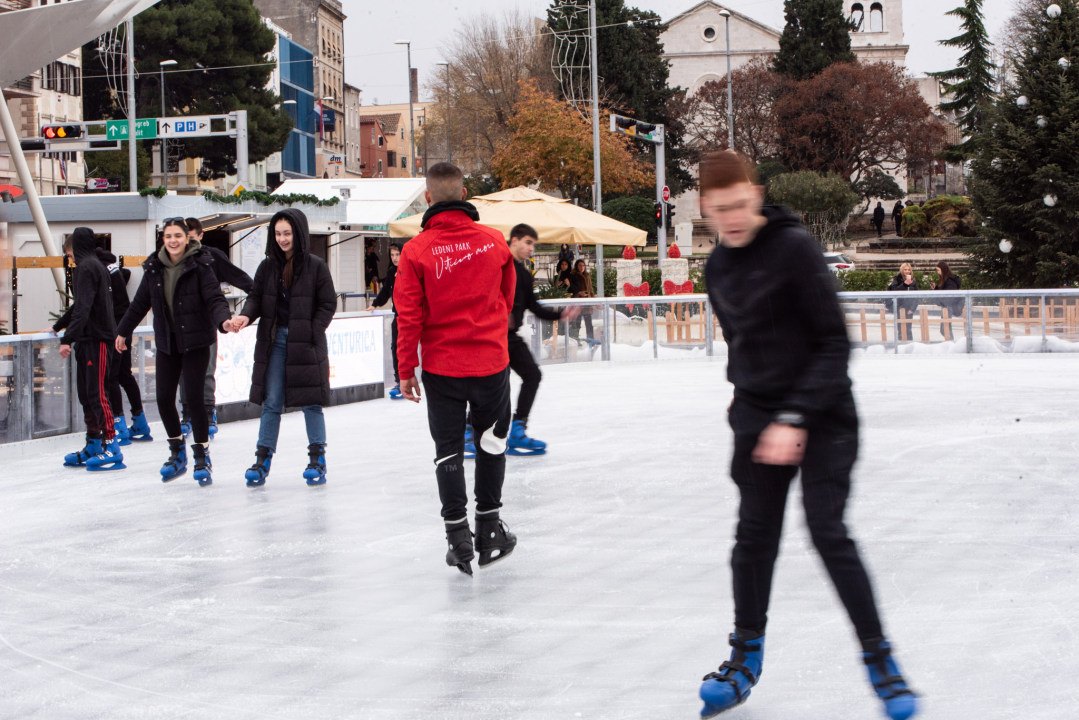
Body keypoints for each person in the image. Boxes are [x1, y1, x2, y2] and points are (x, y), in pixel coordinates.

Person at [695, 151, 917, 720]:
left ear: (757, 193)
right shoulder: (717, 267)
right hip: (758, 415)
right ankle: (745, 658)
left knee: (827, 530)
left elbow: (834, 344)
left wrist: (795, 416)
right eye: (721, 210)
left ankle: (880, 659)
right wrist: (749, 414)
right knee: (753, 540)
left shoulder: (794, 249)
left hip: (824, 415)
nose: (734, 218)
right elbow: (743, 348)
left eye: (742, 204)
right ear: (705, 208)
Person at [394, 162, 519, 576]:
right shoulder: (494, 241)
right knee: (491, 442)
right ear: (464, 193)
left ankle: (458, 538)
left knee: (447, 449)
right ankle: (489, 529)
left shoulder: (415, 251)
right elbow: (507, 298)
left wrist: (406, 367)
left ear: (428, 198)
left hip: (443, 368)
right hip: (490, 362)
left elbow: (408, 314)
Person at [116, 218, 232, 486]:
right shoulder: (154, 267)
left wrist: (223, 321)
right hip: (168, 342)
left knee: (193, 399)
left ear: (187, 238)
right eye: (168, 236)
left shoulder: (200, 264)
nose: (173, 240)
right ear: (163, 238)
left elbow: (214, 298)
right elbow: (140, 303)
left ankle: (202, 455)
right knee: (163, 397)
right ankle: (177, 452)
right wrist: (122, 331)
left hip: (196, 341)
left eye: (178, 235)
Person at [228, 209, 337, 488]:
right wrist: (245, 316)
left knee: (311, 401)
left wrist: (311, 331)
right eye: (277, 233)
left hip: (306, 342)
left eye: (287, 233)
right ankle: (262, 459)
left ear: (298, 233)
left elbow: (328, 303)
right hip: (274, 342)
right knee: (272, 401)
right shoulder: (267, 267)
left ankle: (317, 459)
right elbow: (255, 298)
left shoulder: (316, 266)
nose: (282, 239)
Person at [54, 228, 124, 471]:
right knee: (86, 394)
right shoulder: (91, 266)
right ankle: (93, 443)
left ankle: (111, 445)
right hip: (88, 339)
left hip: (97, 339)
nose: (70, 258)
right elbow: (81, 305)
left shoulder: (87, 267)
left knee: (96, 393)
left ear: (78, 248)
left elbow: (83, 307)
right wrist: (59, 326)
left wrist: (67, 338)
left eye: (70, 253)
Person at [179, 217, 253, 439]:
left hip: (208, 322)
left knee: (206, 369)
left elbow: (238, 277)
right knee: (184, 371)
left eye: (192, 237)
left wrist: (259, 296)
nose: (187, 242)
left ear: (200, 236)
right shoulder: (175, 259)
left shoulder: (211, 257)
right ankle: (187, 414)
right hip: (182, 325)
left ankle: (209, 412)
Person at [98, 242, 150, 444]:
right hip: (124, 326)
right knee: (124, 375)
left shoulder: (100, 268)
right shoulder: (113, 266)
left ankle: (119, 426)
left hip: (114, 328)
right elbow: (126, 275)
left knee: (111, 376)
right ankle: (140, 422)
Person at [371, 242, 402, 399]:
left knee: (408, 348)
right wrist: (374, 304)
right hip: (398, 316)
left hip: (411, 316)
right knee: (395, 348)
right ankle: (400, 381)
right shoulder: (391, 272)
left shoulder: (411, 270)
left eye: (397, 254)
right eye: (392, 255)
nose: (395, 258)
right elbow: (385, 292)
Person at [929, 261, 963, 338]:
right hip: (946, 306)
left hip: (948, 307)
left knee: (945, 329)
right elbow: (944, 291)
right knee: (945, 329)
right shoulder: (947, 280)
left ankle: (951, 343)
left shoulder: (950, 281)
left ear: (943, 269)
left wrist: (941, 301)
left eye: (938, 270)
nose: (938, 272)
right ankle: (950, 342)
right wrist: (936, 288)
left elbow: (950, 295)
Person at [570, 258, 595, 342]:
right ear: (576, 266)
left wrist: (594, 301)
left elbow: (591, 290)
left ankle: (591, 340)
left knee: (589, 324)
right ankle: (576, 340)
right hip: (578, 304)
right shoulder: (573, 275)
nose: (581, 267)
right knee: (577, 324)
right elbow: (571, 289)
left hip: (587, 304)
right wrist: (578, 293)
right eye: (580, 265)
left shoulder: (587, 276)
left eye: (583, 265)